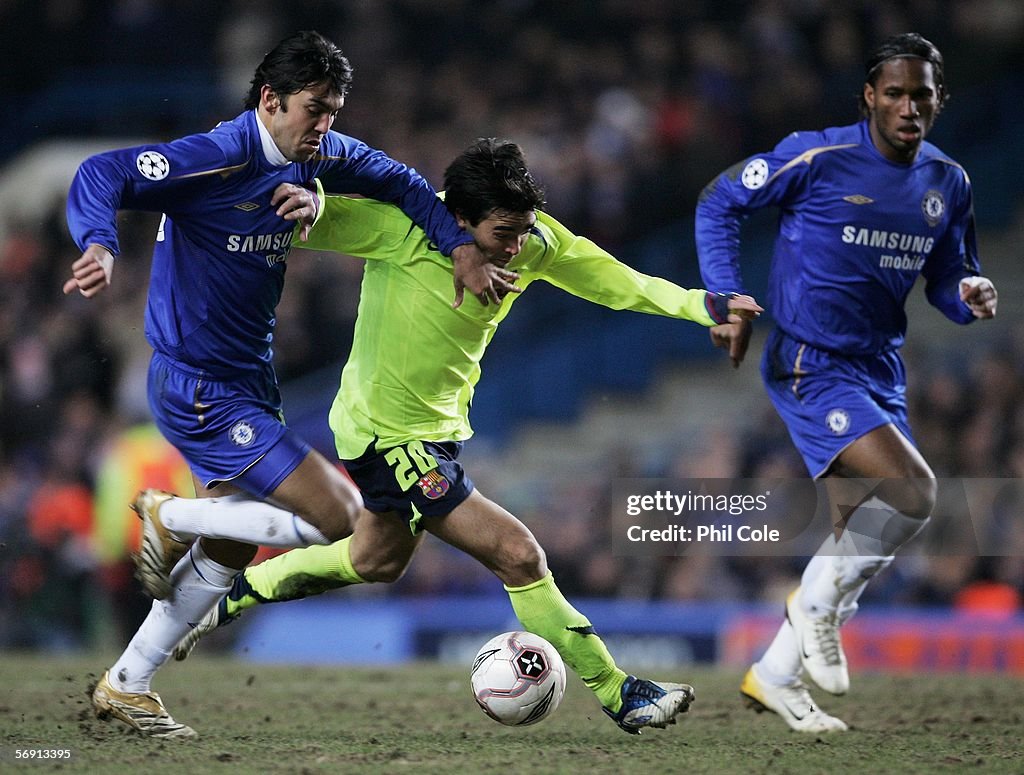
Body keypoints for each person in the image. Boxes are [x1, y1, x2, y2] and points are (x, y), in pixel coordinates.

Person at [168, 137, 762, 735]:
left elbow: (613, 281)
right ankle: (620, 692)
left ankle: (221, 598)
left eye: (525, 229)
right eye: (503, 232)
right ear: (457, 217)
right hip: (386, 435)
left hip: (436, 433)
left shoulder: (532, 243)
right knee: (518, 553)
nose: (517, 245)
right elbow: (303, 219)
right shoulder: (401, 228)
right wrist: (285, 204)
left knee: (374, 560)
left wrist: (703, 305)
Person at [65, 30, 518, 739]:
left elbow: (402, 183)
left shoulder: (322, 155)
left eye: (334, 109)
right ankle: (169, 516)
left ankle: (128, 681)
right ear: (271, 102)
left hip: (247, 380)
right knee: (340, 516)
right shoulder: (216, 155)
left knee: (232, 546)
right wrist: (98, 238)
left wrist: (460, 246)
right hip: (197, 384)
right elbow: (102, 171)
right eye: (314, 109)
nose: (326, 124)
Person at [694, 32, 998, 732]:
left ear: (939, 99)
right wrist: (726, 296)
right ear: (870, 96)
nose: (907, 106)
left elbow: (948, 279)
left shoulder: (947, 182)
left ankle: (773, 675)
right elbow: (719, 200)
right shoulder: (818, 155)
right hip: (810, 359)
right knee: (912, 491)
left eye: (921, 94)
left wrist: (970, 292)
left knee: (853, 537)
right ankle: (811, 614)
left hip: (879, 367)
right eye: (894, 93)